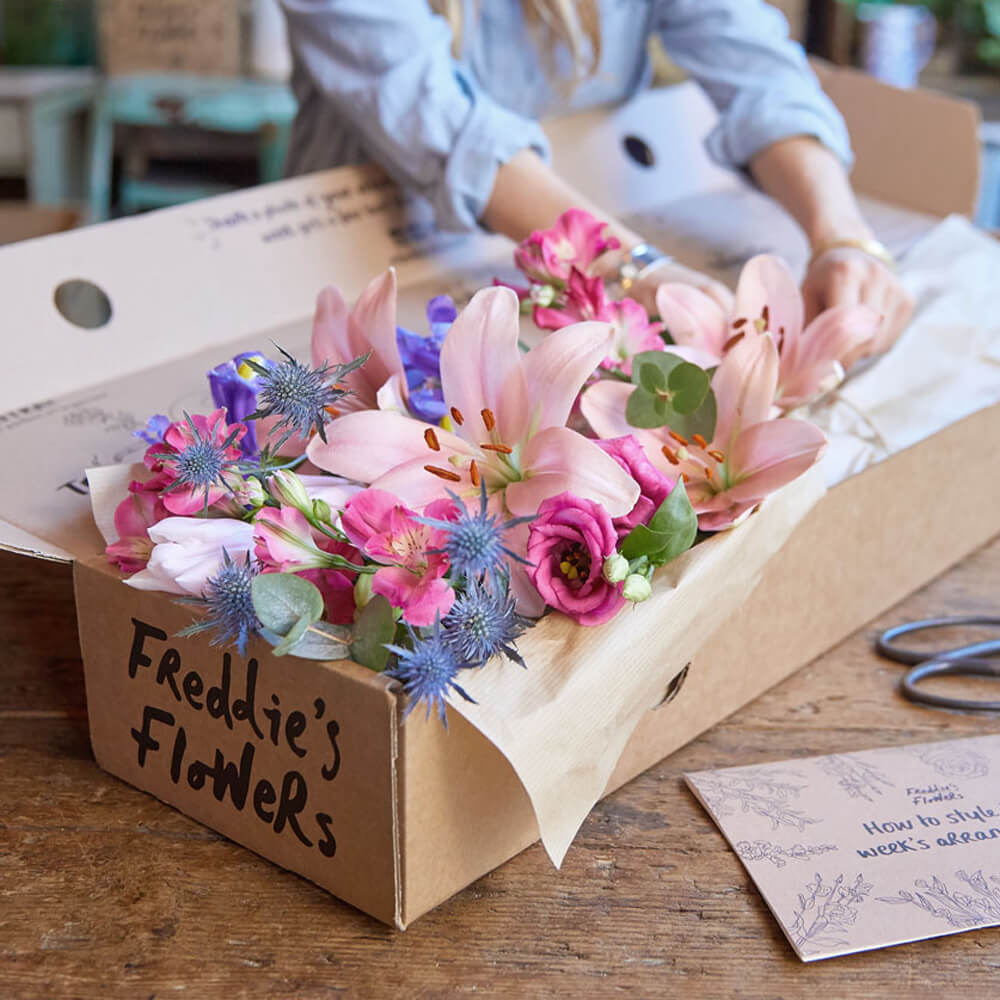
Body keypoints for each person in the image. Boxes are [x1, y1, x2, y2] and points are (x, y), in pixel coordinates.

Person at [278, 0, 912, 358]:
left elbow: (757, 67)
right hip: (361, 258)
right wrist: (630, 268)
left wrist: (843, 237)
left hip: (597, 245)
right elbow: (447, 124)